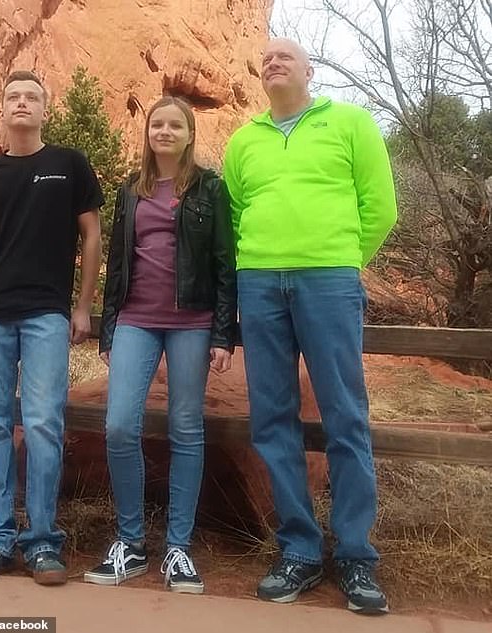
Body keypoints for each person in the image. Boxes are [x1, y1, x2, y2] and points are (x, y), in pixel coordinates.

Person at [223, 38, 397, 614]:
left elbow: (381, 207)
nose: (273, 62)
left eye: (285, 56)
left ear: (308, 70)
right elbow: (236, 215)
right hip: (260, 285)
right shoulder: (244, 141)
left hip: (329, 282)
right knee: (272, 419)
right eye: (265, 58)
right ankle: (298, 548)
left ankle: (355, 556)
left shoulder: (350, 122)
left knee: (345, 414)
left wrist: (343, 260)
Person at [0, 70, 103, 586]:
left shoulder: (68, 165)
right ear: (4, 108)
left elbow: (92, 238)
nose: (22, 103)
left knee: (43, 424)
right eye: (13, 96)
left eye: (31, 96)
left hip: (46, 314)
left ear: (45, 107)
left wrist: (82, 306)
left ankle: (42, 542)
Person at [83, 96, 237, 594]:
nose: (165, 131)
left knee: (186, 428)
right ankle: (130, 543)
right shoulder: (131, 189)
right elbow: (118, 262)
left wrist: (222, 333)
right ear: (147, 132)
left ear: (190, 134)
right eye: (157, 124)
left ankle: (177, 549)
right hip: (135, 320)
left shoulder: (210, 187)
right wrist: (110, 327)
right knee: (119, 425)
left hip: (191, 323)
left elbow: (222, 262)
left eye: (176, 125)